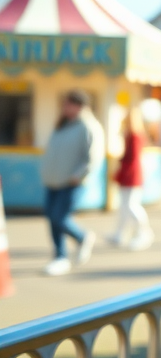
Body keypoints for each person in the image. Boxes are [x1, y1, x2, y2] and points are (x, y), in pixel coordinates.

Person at [39, 89, 102, 276]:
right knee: (52, 218)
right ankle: (59, 257)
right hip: (53, 181)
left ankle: (82, 237)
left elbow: (93, 157)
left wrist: (79, 175)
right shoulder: (63, 125)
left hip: (71, 182)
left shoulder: (88, 126)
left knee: (59, 217)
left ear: (78, 105)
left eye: (68, 104)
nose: (64, 108)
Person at [106, 106, 154, 250]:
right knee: (124, 206)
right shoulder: (131, 135)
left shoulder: (135, 136)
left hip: (132, 175)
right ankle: (120, 233)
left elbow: (131, 159)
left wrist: (121, 172)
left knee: (132, 206)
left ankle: (143, 231)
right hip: (129, 174)